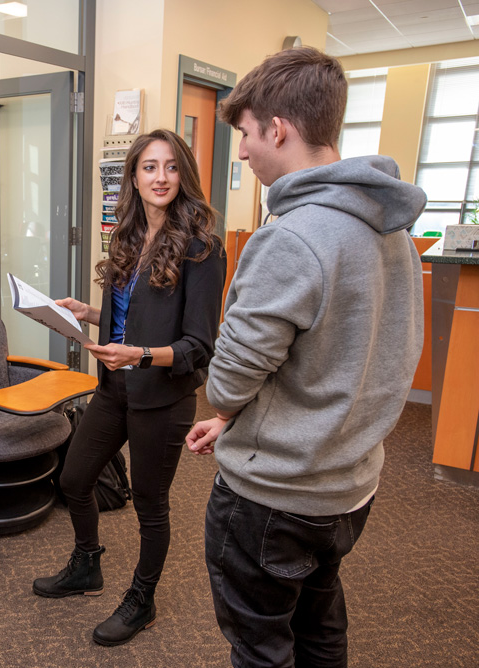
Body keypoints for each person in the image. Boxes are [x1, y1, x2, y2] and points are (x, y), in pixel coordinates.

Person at [186, 47, 426, 668]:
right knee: (319, 629)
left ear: (279, 128)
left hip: (275, 497)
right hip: (347, 486)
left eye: (244, 133)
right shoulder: (391, 230)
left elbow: (229, 378)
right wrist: (239, 419)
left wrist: (226, 405)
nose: (240, 150)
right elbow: (353, 359)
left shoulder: (292, 237)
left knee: (262, 646)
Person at [32, 129, 226, 646]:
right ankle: (86, 565)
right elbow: (131, 319)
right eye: (149, 167)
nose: (160, 177)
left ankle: (142, 600)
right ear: (134, 179)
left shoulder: (202, 248)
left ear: (183, 175)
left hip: (163, 396)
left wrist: (138, 355)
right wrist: (83, 313)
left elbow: (198, 346)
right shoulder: (125, 237)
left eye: (170, 167)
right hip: (115, 387)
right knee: (74, 479)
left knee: (149, 503)